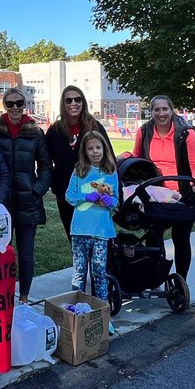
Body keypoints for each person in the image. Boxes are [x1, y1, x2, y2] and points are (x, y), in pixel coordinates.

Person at [129, 94, 195, 282]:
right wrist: (122, 157)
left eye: (165, 109)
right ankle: (156, 276)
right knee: (154, 236)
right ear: (151, 111)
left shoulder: (186, 133)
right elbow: (136, 157)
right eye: (157, 109)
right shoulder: (144, 132)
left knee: (181, 238)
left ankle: (180, 281)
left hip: (182, 194)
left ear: (172, 110)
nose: (161, 113)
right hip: (155, 194)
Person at [0, 89, 51, 304]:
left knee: (25, 254)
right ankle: (3, 297)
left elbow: (45, 166)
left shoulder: (35, 132)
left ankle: (23, 297)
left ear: (25, 104)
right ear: (4, 106)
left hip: (27, 200)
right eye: (10, 104)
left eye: (19, 103)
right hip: (2, 202)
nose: (15, 108)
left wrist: (37, 189)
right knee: (1, 253)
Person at [44, 86, 111, 240]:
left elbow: (109, 158)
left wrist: (114, 190)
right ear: (63, 103)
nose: (73, 103)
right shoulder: (55, 131)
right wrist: (55, 187)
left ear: (83, 102)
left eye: (77, 99)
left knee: (97, 240)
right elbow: (46, 162)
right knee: (74, 239)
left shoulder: (94, 127)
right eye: (69, 100)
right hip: (67, 194)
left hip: (94, 191)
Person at [64, 131, 118, 307]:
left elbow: (116, 200)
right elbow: (69, 196)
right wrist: (87, 197)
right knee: (79, 272)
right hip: (80, 229)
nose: (95, 151)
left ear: (104, 148)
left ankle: (102, 310)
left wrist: (110, 202)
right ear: (84, 151)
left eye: (98, 147)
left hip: (101, 231)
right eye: (90, 148)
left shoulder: (111, 172)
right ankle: (75, 309)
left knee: (99, 271)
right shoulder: (79, 171)